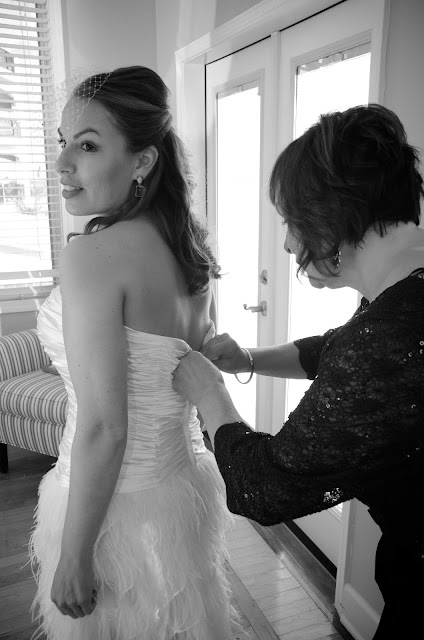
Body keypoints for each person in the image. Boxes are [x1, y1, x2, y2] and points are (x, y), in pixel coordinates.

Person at [173, 104, 424, 639]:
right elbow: (333, 351)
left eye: (291, 221)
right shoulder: (405, 292)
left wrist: (212, 396)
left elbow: (267, 489)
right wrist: (250, 361)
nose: (288, 242)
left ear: (331, 216)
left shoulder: (388, 337)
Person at [29, 66, 242, 640]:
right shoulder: (191, 249)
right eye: (63, 143)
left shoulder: (93, 258)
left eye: (88, 145)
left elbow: (104, 427)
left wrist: (75, 555)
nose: (62, 164)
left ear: (142, 161)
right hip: (179, 492)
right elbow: (194, 360)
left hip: (108, 512)